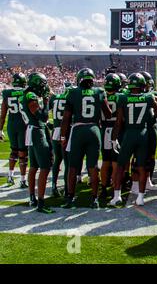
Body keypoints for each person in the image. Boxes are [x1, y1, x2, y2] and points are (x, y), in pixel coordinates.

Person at [109, 73, 157, 206]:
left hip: (129, 134)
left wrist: (114, 139)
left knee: (120, 166)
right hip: (143, 133)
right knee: (142, 167)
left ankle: (116, 196)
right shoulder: (148, 97)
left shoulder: (123, 97)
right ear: (142, 85)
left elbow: (118, 122)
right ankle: (140, 197)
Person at [60, 68, 112, 209]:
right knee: (93, 166)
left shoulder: (72, 92)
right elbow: (108, 114)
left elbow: (66, 118)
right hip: (94, 130)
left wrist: (63, 136)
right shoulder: (99, 92)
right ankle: (94, 199)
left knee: (72, 166)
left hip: (77, 130)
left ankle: (70, 198)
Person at [20, 73, 54, 213]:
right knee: (44, 167)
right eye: (42, 84)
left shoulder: (29, 94)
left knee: (33, 166)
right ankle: (40, 202)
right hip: (36, 133)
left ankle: (32, 198)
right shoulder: (30, 96)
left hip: (33, 130)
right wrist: (46, 101)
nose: (44, 87)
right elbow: (43, 115)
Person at [0, 73, 28, 187]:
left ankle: (10, 176)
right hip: (23, 124)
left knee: (13, 151)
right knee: (23, 153)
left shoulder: (7, 93)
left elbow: (2, 114)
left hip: (11, 125)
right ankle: (22, 179)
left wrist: (0, 129)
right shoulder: (26, 92)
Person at [100, 73, 122, 199]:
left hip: (104, 130)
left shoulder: (101, 96)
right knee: (115, 162)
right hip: (116, 130)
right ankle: (115, 188)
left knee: (105, 161)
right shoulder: (120, 96)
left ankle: (103, 188)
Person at [49, 82, 72, 197]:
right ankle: (67, 188)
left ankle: (53, 185)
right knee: (67, 161)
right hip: (65, 131)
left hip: (55, 130)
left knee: (57, 159)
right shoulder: (70, 97)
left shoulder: (54, 98)